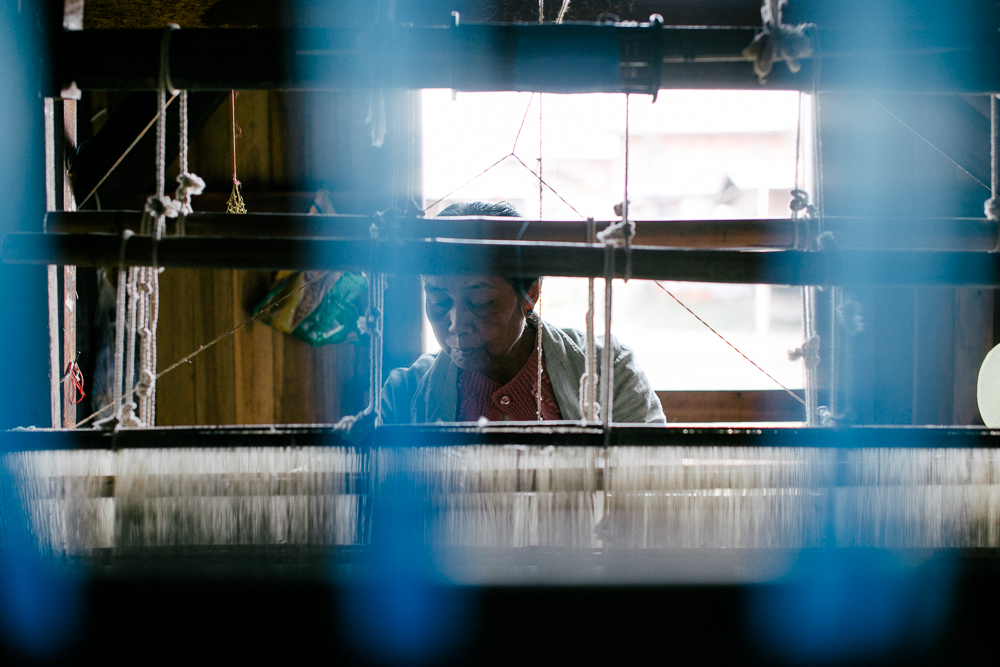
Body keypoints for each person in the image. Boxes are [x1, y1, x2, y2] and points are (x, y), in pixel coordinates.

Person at [381, 201, 665, 424]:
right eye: (439, 301)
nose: (457, 325)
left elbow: (646, 474)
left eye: (480, 301)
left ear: (530, 295)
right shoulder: (403, 395)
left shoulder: (610, 371)